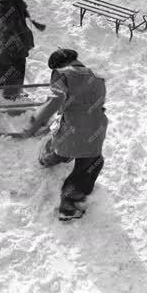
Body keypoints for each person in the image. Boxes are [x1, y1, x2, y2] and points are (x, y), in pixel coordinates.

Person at [23, 49, 107, 221]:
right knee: (91, 163)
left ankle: (66, 206)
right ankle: (72, 200)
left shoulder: (61, 74)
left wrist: (35, 125)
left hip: (72, 129)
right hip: (96, 128)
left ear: (59, 65)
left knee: (62, 146)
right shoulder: (97, 78)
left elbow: (56, 101)